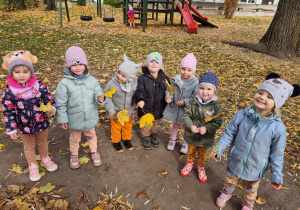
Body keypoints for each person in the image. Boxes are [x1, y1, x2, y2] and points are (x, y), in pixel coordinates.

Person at [211, 73, 300, 210]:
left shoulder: (277, 128)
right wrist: (219, 148)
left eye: (269, 97)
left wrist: (277, 175)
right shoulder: (241, 115)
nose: (262, 97)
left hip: (255, 168)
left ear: (277, 103)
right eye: (260, 92)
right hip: (235, 160)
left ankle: (248, 203)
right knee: (230, 180)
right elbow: (229, 133)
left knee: (251, 189)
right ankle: (226, 192)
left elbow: (277, 153)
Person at [2, 50, 57, 181]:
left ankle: (45, 159)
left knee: (43, 142)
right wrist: (11, 128)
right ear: (11, 73)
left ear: (31, 72)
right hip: (23, 126)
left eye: (25, 72)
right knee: (29, 146)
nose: (21, 75)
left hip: (41, 122)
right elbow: (8, 111)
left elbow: (48, 99)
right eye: (17, 72)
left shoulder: (39, 86)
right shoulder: (9, 91)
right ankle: (32, 165)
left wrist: (51, 107)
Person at [55, 46, 106, 169]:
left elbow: (97, 92)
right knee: (74, 138)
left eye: (81, 64)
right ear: (69, 67)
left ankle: (94, 151)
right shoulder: (64, 84)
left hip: (89, 115)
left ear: (85, 65)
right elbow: (60, 103)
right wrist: (63, 119)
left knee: (91, 135)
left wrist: (100, 98)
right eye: (74, 65)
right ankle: (74, 154)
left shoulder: (92, 80)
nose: (78, 68)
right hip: (74, 118)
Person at [181, 72, 222, 182]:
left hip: (205, 138)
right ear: (198, 88)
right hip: (192, 135)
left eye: (209, 89)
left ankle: (201, 168)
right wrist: (191, 125)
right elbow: (186, 115)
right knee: (191, 151)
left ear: (214, 90)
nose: (204, 92)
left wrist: (207, 128)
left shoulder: (216, 105)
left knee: (202, 154)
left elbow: (217, 122)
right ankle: (189, 164)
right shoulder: (193, 101)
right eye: (202, 88)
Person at [103, 54, 142, 153]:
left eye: (123, 76)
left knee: (127, 126)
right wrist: (110, 108)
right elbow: (107, 96)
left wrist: (137, 102)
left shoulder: (134, 83)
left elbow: (136, 94)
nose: (119, 76)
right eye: (119, 73)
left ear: (130, 78)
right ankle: (116, 141)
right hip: (115, 111)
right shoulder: (112, 83)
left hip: (127, 112)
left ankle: (126, 139)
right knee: (116, 127)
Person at [163, 53, 198, 154]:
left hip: (186, 110)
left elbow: (195, 98)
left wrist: (185, 102)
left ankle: (185, 142)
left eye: (189, 70)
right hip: (176, 109)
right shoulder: (176, 79)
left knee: (185, 127)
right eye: (183, 69)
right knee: (174, 125)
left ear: (193, 71)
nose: (185, 72)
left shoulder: (195, 83)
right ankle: (172, 140)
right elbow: (170, 90)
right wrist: (169, 97)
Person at [136, 52, 170, 149]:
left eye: (157, 62)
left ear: (160, 65)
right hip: (146, 108)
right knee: (146, 125)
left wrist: (168, 97)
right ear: (147, 64)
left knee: (155, 125)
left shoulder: (164, 78)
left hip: (158, 108)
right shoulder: (142, 78)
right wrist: (140, 99)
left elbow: (168, 90)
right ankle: (146, 137)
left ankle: (153, 135)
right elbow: (140, 90)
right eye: (151, 61)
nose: (154, 64)